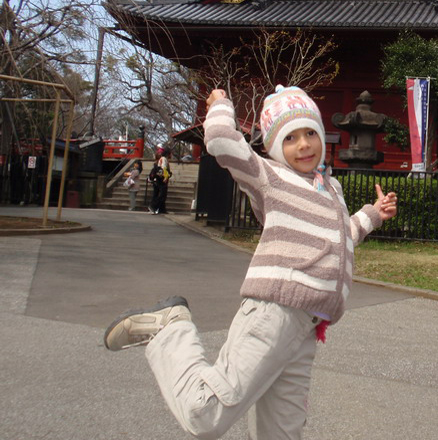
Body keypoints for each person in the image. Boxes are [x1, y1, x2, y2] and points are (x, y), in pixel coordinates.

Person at [103, 85, 397, 440]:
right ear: (275, 147)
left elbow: (340, 237)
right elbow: (223, 141)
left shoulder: (329, 188)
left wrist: (373, 214)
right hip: (275, 311)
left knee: (282, 433)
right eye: (289, 138)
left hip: (307, 326)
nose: (303, 145)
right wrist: (221, 105)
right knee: (205, 413)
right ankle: (171, 330)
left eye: (309, 133)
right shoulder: (271, 178)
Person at [148, 147, 171, 214]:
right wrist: (166, 177)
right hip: (162, 178)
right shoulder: (164, 159)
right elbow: (163, 168)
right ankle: (153, 206)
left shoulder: (162, 159)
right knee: (162, 195)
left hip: (160, 178)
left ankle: (162, 209)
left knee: (162, 194)